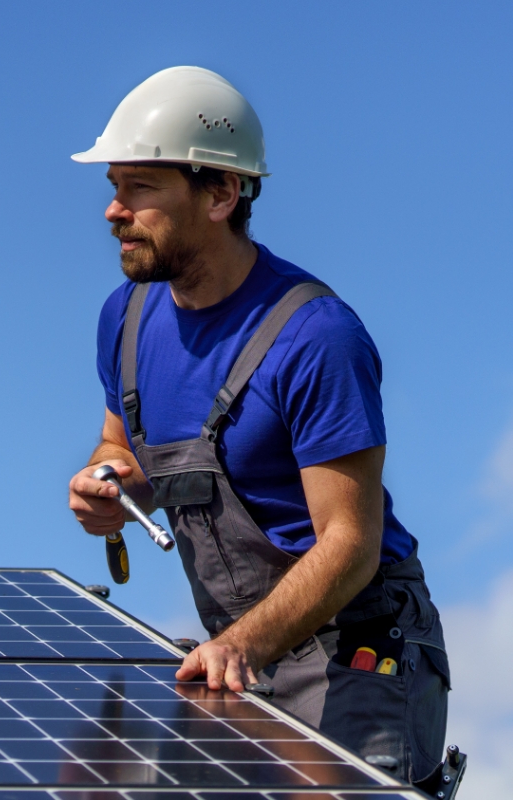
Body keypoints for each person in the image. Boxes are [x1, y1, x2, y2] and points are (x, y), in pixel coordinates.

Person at [67, 66, 449, 783]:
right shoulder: (124, 320)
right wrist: (108, 484)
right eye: (113, 186)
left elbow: (351, 543)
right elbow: (122, 447)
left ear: (221, 193)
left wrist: (244, 644)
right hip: (240, 653)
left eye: (139, 188)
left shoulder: (315, 337)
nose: (113, 210)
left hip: (357, 645)